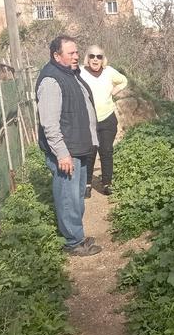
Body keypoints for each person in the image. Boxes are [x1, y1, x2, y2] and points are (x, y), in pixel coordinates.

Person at [36, 35, 102, 256]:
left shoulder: (70, 74)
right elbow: (50, 124)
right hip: (66, 152)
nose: (76, 56)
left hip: (79, 147)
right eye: (71, 53)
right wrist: (62, 154)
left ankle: (77, 235)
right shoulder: (51, 80)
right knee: (67, 198)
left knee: (76, 197)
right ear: (57, 55)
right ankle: (73, 243)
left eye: (76, 52)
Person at [79, 45, 128, 197]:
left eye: (99, 56)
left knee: (106, 151)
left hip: (107, 118)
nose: (95, 59)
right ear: (87, 57)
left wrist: (114, 91)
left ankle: (107, 184)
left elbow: (123, 80)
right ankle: (87, 185)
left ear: (103, 59)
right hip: (88, 120)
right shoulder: (79, 72)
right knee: (90, 152)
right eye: (92, 56)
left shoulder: (109, 72)